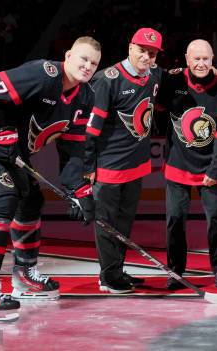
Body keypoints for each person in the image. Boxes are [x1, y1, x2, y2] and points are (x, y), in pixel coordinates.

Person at [0, 36, 102, 322]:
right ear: (68, 56)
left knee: (30, 201)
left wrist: (79, 189)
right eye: (83, 59)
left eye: (93, 63)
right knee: (1, 200)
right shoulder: (44, 74)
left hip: (9, 145)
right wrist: (0, 129)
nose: (87, 66)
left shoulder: (85, 97)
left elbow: (73, 148)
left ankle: (24, 275)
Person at [84, 28, 164, 294]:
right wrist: (87, 168)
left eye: (151, 53)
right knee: (106, 225)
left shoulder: (154, 74)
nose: (146, 57)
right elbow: (90, 130)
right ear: (130, 48)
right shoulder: (107, 80)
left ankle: (116, 269)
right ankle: (108, 277)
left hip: (136, 166)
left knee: (123, 224)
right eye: (141, 50)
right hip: (109, 169)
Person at [158, 39, 217, 290]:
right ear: (187, 60)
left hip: (211, 167)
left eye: (206, 59)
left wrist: (215, 168)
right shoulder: (172, 81)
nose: (201, 64)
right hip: (178, 164)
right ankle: (176, 272)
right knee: (175, 220)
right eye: (196, 59)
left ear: (213, 60)